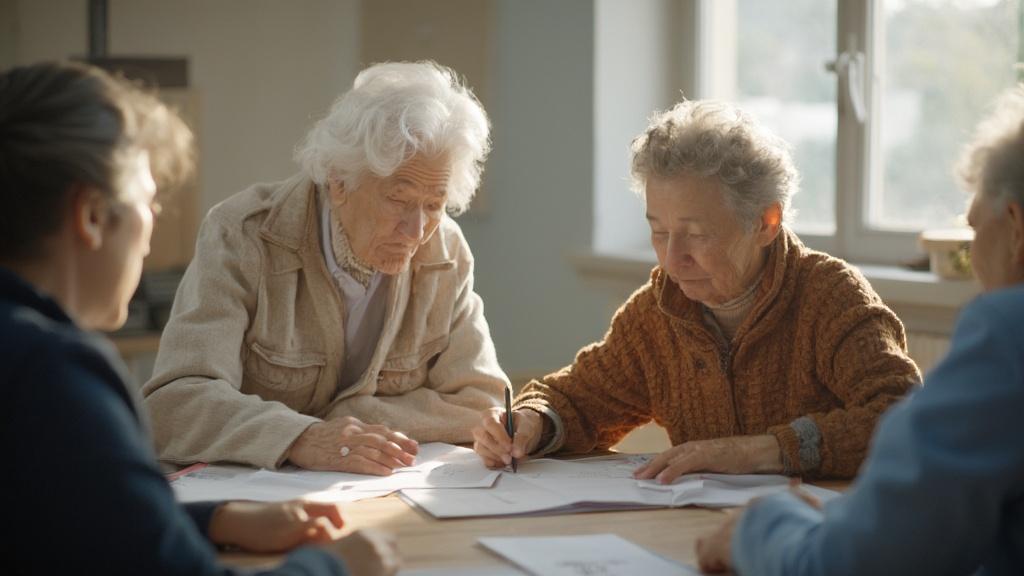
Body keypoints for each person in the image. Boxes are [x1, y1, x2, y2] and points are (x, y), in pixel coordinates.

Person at [1, 61, 397, 575]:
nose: (151, 229)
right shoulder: (55, 375)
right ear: (92, 216)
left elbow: (68, 521)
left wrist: (217, 520)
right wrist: (335, 568)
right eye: (148, 203)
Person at [472, 100, 920, 482]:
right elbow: (577, 400)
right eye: (659, 232)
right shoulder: (659, 311)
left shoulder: (830, 297)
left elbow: (905, 416)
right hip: (703, 533)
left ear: (766, 223)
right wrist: (530, 422)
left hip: (825, 533)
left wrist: (762, 451)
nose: (672, 260)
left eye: (697, 234)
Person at [695, 86, 1024, 576]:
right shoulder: (665, 301)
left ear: (1015, 228)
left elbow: (852, 564)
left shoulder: (1009, 334)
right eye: (659, 230)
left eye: (974, 230)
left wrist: (758, 525)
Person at [142, 61, 507, 475]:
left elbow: (482, 404)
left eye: (434, 205)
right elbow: (176, 404)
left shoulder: (446, 251)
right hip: (250, 498)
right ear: (339, 182)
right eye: (399, 200)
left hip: (381, 494)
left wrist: (358, 416)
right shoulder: (243, 235)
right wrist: (302, 436)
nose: (417, 230)